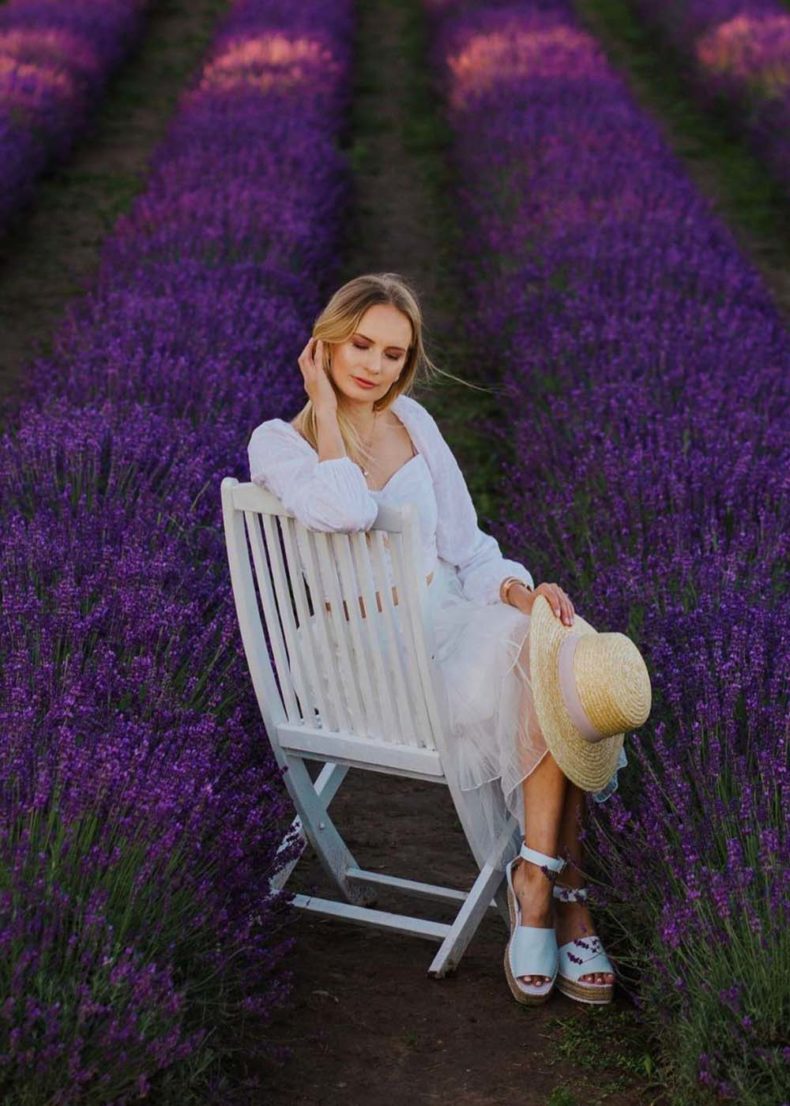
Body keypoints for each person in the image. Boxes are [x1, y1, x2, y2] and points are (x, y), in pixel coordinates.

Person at [247, 273, 631, 1005]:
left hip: (446, 621)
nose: (376, 366)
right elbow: (347, 509)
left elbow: (468, 546)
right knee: (537, 670)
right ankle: (567, 896)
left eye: (395, 354)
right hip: (365, 661)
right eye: (360, 345)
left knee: (556, 645)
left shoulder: (414, 423)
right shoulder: (281, 442)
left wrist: (523, 592)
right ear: (324, 343)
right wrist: (327, 409)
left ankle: (538, 878)